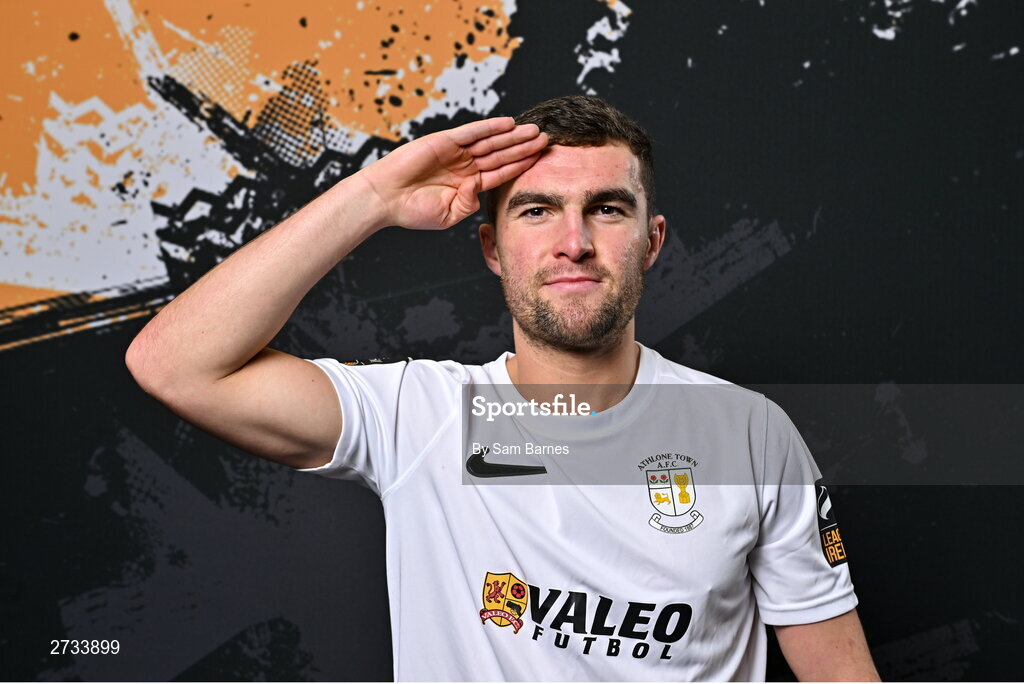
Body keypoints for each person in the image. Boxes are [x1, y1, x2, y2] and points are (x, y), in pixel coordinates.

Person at [126, 95, 880, 681]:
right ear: (491, 246)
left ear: (651, 242)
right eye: (537, 209)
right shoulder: (422, 418)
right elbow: (175, 364)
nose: (574, 241)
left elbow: (843, 675)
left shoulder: (749, 434)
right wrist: (375, 196)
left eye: (607, 209)